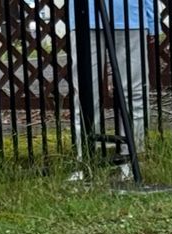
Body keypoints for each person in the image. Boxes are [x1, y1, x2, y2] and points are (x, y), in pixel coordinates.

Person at [68, 0, 154, 149]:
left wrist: (151, 21)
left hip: (131, 16)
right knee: (85, 94)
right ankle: (86, 158)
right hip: (85, 16)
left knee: (134, 93)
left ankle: (133, 157)